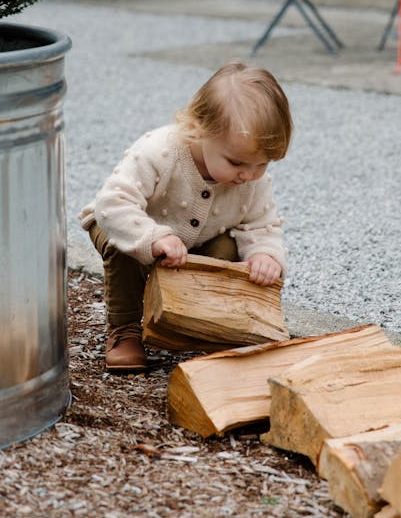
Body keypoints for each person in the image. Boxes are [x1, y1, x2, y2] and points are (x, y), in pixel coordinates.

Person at [79, 61, 293, 372]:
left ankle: (199, 322)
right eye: (236, 163)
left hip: (194, 239)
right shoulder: (160, 152)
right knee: (124, 254)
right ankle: (124, 330)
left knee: (227, 250)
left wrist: (265, 254)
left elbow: (262, 223)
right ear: (199, 129)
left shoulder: (250, 178)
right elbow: (112, 203)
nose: (248, 175)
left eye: (262, 165)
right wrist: (154, 237)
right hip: (124, 224)